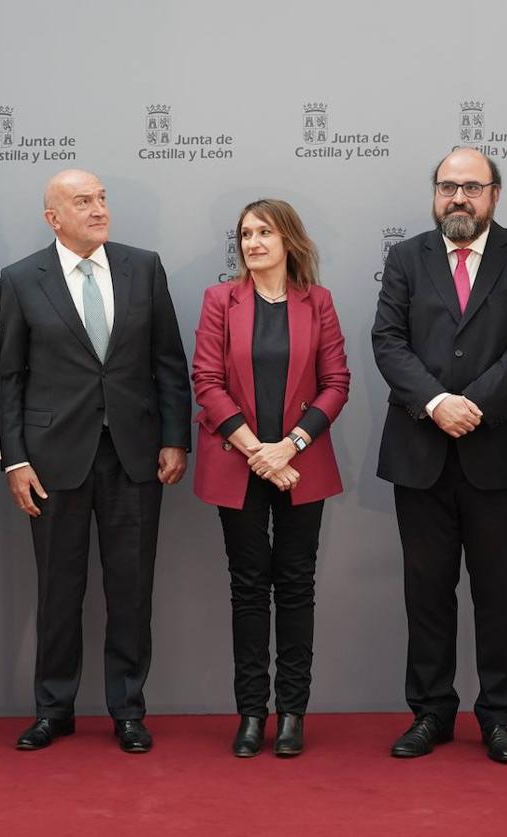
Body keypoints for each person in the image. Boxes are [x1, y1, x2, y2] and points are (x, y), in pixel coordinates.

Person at [0, 169, 191, 753]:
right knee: (59, 588)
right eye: (83, 202)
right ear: (53, 217)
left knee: (131, 588)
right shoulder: (20, 279)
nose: (98, 209)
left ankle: (128, 709)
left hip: (134, 454)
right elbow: (8, 378)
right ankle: (53, 709)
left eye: (103, 198)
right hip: (52, 460)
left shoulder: (144, 267)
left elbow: (168, 362)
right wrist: (15, 460)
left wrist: (175, 437)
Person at [371, 148, 507, 763]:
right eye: (448, 186)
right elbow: (387, 340)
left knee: (499, 594)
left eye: (472, 187)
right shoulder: (406, 257)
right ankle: (430, 713)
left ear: (495, 195)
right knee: (426, 592)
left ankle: (499, 717)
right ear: (434, 194)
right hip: (420, 452)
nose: (459, 198)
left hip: (497, 453)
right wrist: (435, 403)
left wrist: (471, 403)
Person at [191, 199, 349, 758]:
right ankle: (252, 714)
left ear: (289, 241)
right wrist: (258, 450)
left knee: (297, 586)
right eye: (245, 234)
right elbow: (206, 380)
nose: (253, 242)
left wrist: (290, 447)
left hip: (301, 465)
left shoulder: (319, 302)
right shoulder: (220, 301)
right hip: (240, 463)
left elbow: (336, 383)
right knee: (249, 589)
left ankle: (293, 714)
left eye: (264, 232)